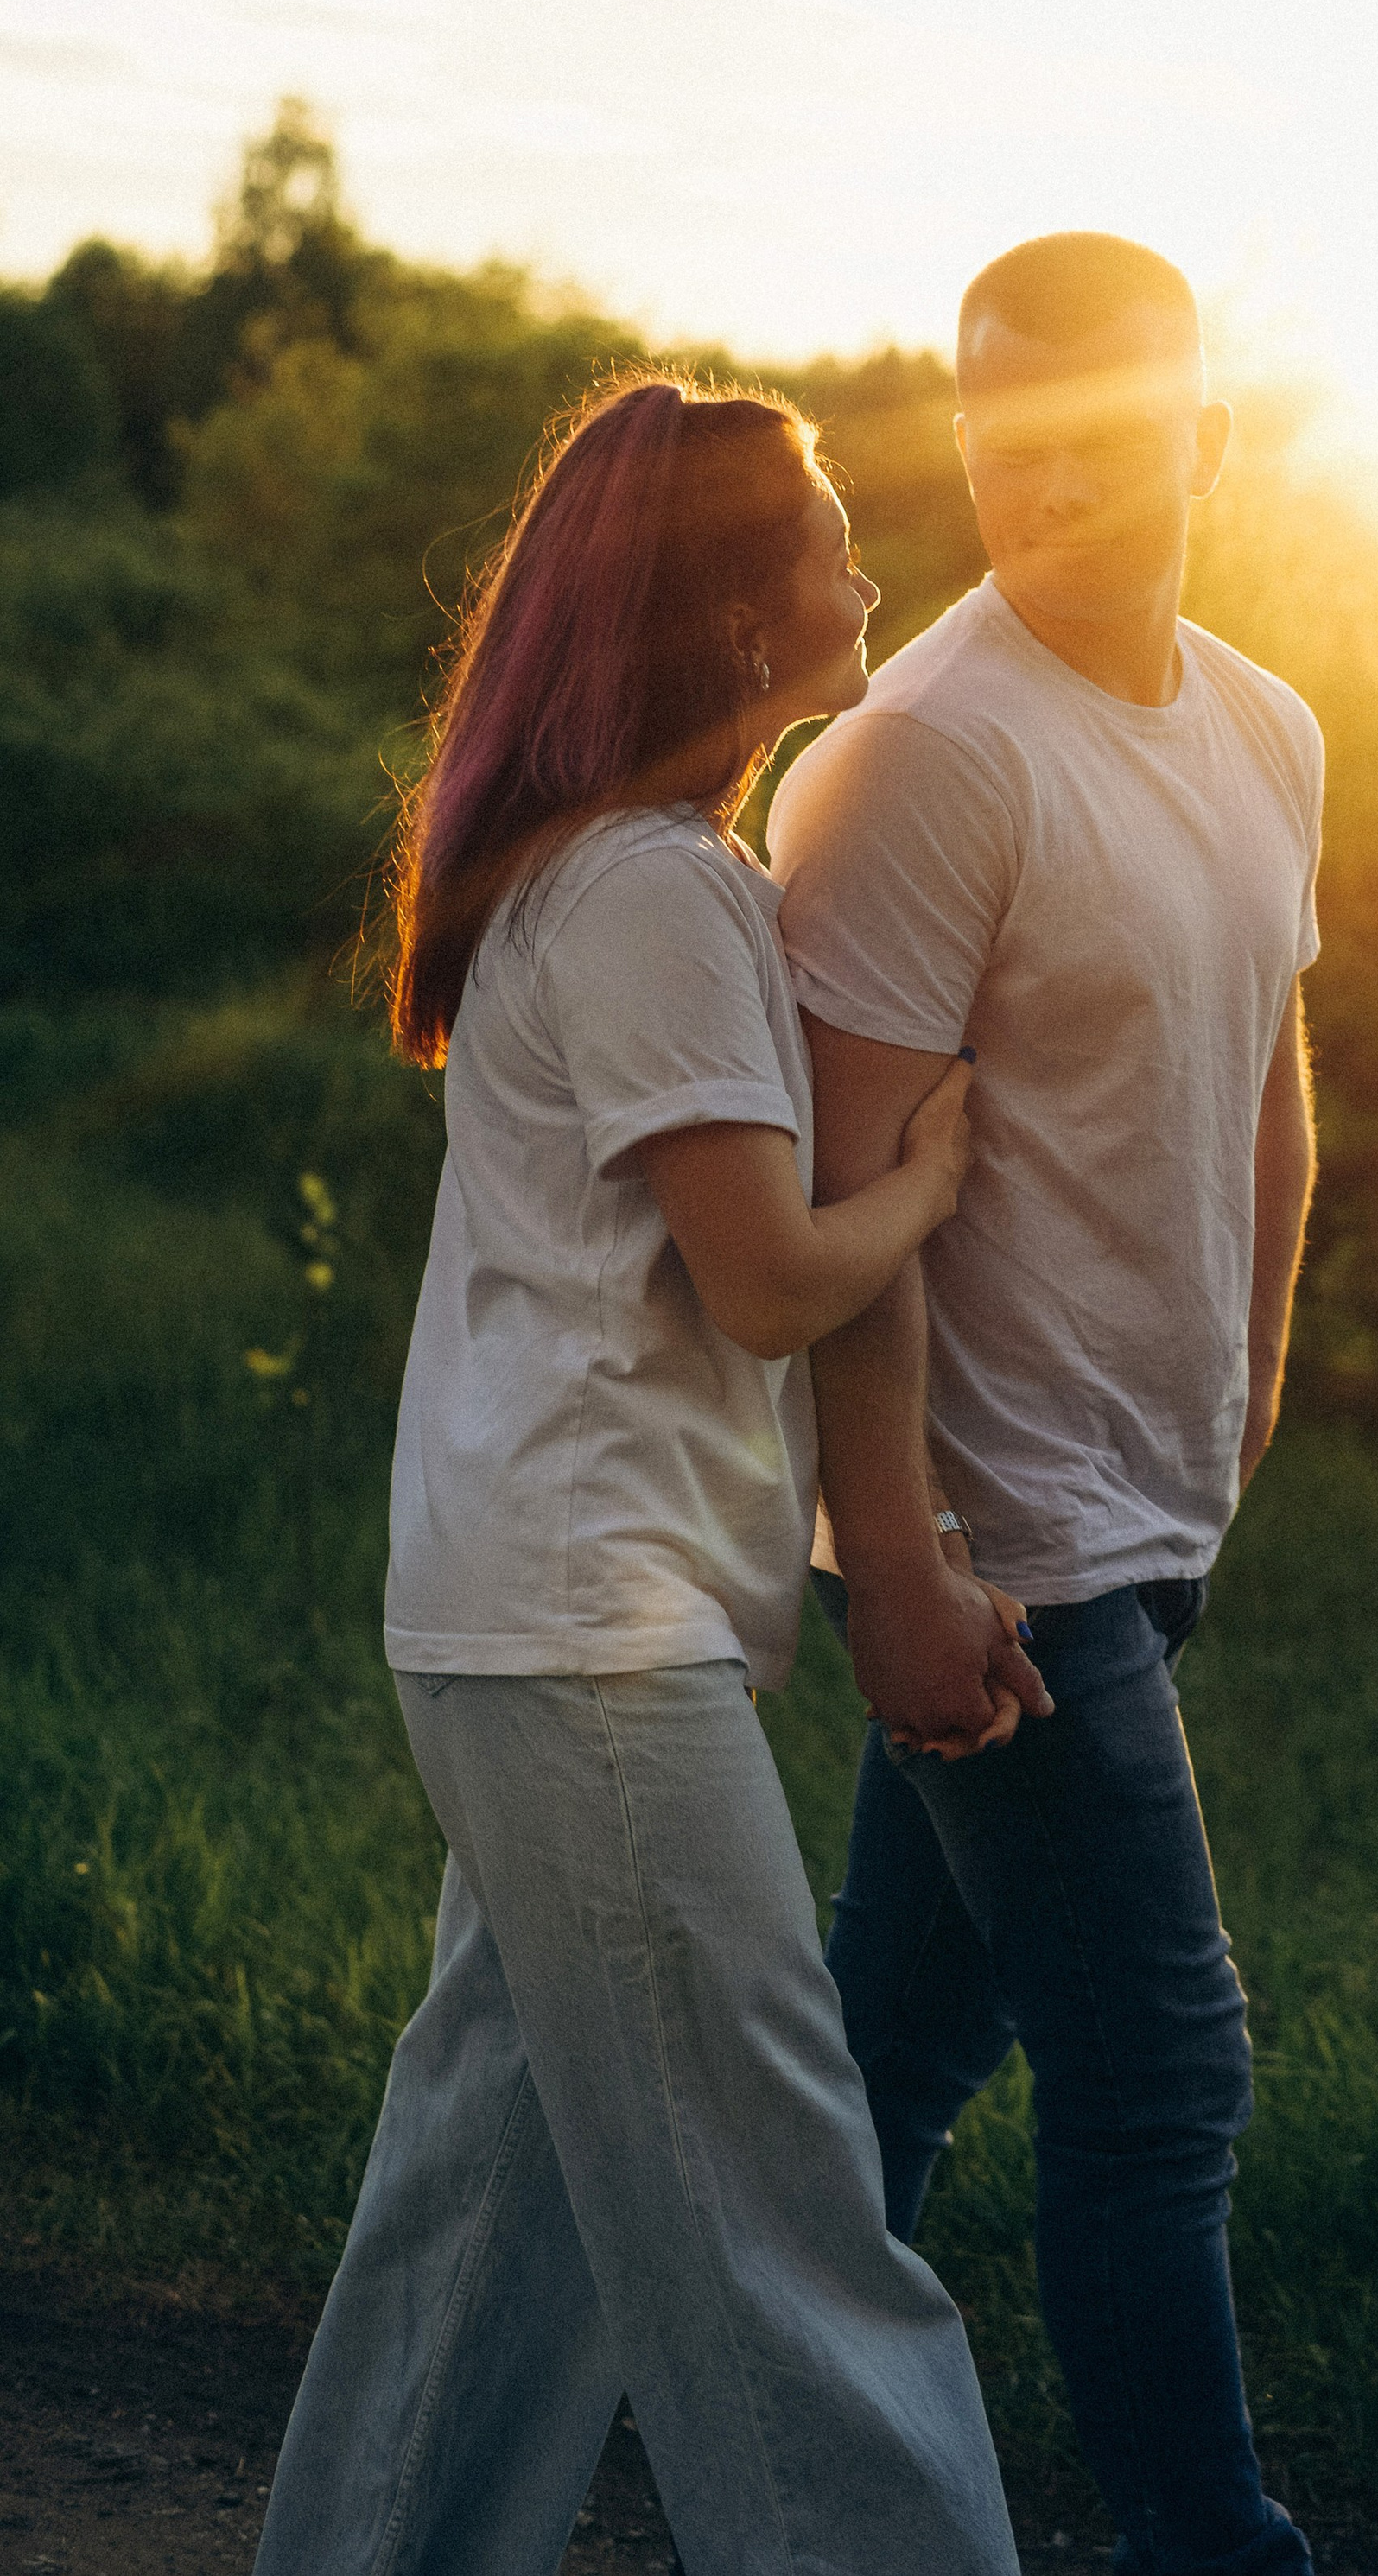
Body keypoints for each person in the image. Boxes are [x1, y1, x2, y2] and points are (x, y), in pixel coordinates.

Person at [257, 374, 1045, 2576]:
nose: (863, 562)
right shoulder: (652, 897)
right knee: (777, 2222)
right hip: (592, 1644)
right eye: (821, 533)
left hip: (534, 1621)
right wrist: (925, 1175)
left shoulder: (627, 874)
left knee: (495, 2215)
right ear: (724, 613)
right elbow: (773, 1281)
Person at [768, 233, 1324, 2576]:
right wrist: (901, 1565)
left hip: (1153, 1495)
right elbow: (842, 1194)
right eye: (997, 436)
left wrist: (1252, 1381)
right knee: (1158, 2072)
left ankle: (708, 2432)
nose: (1034, 482)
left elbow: (1277, 1072)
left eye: (1097, 433)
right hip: (1007, 1551)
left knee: (884, 2059)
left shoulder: (1268, 723)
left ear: (1208, 430)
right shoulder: (920, 755)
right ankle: (1222, 2552)